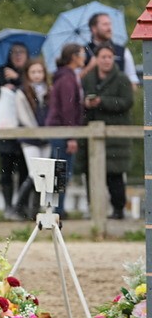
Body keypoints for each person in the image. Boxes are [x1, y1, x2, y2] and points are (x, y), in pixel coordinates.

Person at [81, 44, 134, 219]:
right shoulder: (88, 78)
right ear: (96, 59)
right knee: (92, 175)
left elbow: (127, 102)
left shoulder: (122, 79)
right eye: (103, 57)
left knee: (115, 176)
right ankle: (94, 210)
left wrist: (102, 101)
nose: (106, 60)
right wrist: (87, 103)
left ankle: (118, 210)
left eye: (110, 57)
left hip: (115, 136)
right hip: (91, 131)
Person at [0, 43, 28, 220]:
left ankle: (22, 206)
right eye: (14, 52)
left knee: (25, 170)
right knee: (6, 169)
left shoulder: (30, 72)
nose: (18, 55)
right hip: (5, 128)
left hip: (25, 129)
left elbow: (36, 92)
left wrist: (18, 80)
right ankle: (8, 206)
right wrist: (2, 89)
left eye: (21, 52)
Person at [46, 43, 87, 218]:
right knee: (61, 172)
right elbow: (68, 109)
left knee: (58, 171)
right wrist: (71, 136)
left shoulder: (66, 77)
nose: (84, 58)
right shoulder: (67, 79)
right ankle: (58, 209)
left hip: (60, 130)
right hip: (62, 132)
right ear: (73, 57)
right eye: (82, 54)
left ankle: (56, 208)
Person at [12, 59, 50, 218]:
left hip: (46, 138)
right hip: (30, 138)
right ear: (27, 74)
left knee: (44, 174)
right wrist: (37, 131)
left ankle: (35, 210)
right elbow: (23, 117)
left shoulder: (49, 91)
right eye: (33, 72)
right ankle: (18, 207)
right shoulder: (21, 92)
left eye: (39, 72)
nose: (37, 75)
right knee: (34, 173)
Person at [81, 12, 138, 86]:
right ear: (94, 28)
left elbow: (132, 78)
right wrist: (89, 67)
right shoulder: (83, 51)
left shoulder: (122, 51)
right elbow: (75, 80)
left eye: (110, 24)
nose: (109, 28)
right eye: (105, 24)